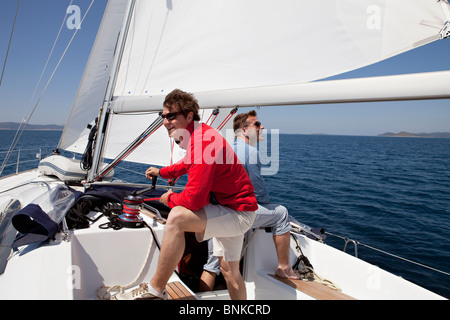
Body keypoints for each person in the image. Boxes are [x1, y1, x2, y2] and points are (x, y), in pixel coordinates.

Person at [113, 89, 257, 300]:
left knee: (177, 217)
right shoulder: (200, 134)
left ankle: (154, 290)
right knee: (229, 271)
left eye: (171, 116)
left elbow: (194, 199)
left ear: (189, 115)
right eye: (163, 116)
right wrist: (161, 172)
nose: (165, 121)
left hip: (236, 214)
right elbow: (186, 164)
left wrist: (168, 198)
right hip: (234, 210)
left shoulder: (202, 142)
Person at [199, 110, 298, 292]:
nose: (262, 127)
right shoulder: (250, 153)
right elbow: (257, 192)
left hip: (216, 212)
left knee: (211, 267)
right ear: (244, 130)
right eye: (257, 124)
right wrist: (267, 205)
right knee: (281, 213)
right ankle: (284, 268)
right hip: (236, 214)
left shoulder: (226, 150)